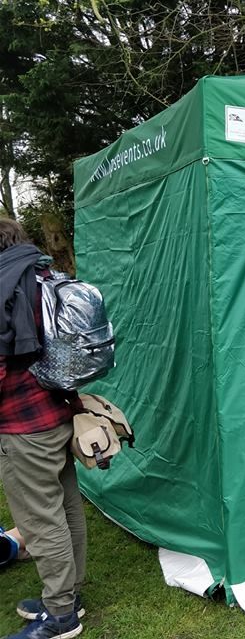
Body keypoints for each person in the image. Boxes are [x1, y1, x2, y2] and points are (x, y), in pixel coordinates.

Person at [0, 218, 86, 639]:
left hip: (22, 424)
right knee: (67, 507)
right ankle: (72, 593)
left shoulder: (3, 284)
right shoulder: (44, 274)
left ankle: (61, 615)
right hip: (59, 412)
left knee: (40, 520)